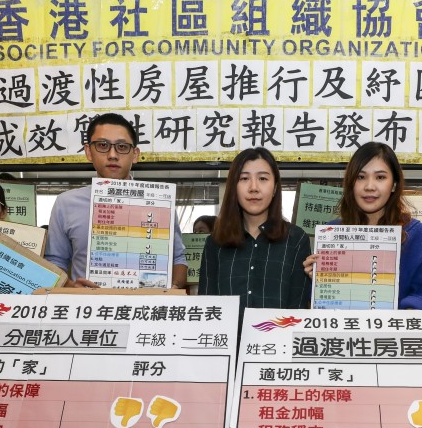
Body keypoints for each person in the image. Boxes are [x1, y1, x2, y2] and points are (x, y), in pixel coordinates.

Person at [45, 112, 187, 288]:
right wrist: (71, 287)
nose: (112, 154)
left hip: (147, 309)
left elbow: (179, 258)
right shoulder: (66, 203)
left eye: (122, 147)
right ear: (89, 151)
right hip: (86, 310)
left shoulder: (160, 202)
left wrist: (173, 288)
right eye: (103, 145)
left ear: (135, 154)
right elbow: (55, 261)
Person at [304, 142, 422, 310]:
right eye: (361, 177)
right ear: (351, 184)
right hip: (343, 333)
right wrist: (320, 279)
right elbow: (320, 303)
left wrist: (399, 320)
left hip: (395, 334)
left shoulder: (413, 232)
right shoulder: (332, 232)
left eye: (380, 177)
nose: (369, 186)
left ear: (394, 185)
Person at [198, 148, 311, 311]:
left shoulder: (296, 239)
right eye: (244, 178)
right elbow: (206, 306)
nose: (254, 187)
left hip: (278, 336)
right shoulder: (215, 243)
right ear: (233, 187)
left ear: (275, 187)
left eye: (263, 178)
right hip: (227, 337)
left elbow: (298, 307)